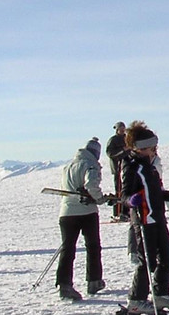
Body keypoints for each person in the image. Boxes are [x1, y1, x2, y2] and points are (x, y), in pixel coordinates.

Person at [123, 121, 169, 315]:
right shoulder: (132, 166)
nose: (155, 149)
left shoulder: (150, 167)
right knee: (146, 261)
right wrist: (130, 200)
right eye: (152, 146)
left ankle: (160, 295)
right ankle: (136, 300)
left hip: (158, 218)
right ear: (141, 148)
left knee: (166, 258)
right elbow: (124, 194)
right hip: (143, 220)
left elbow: (157, 192)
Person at [55, 137, 106, 301]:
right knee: (92, 246)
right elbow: (91, 185)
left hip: (66, 211)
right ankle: (94, 281)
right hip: (87, 211)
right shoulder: (90, 164)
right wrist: (99, 198)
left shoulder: (68, 165)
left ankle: (64, 285)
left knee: (67, 249)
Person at [105, 122, 129, 222]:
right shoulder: (113, 140)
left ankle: (126, 211)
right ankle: (118, 212)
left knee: (127, 189)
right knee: (119, 190)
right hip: (117, 168)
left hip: (127, 168)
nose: (122, 130)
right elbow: (110, 153)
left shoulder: (127, 138)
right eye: (121, 128)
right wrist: (122, 151)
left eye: (124, 128)